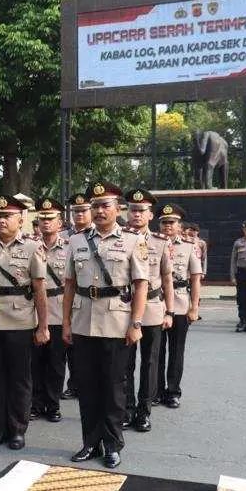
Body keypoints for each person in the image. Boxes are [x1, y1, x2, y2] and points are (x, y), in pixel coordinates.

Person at [63, 181, 148, 469]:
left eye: (105, 205)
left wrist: (136, 323)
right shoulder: (77, 241)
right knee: (87, 386)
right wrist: (66, 323)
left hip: (116, 322)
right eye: (95, 206)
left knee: (113, 387)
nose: (99, 211)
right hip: (83, 322)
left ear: (118, 208)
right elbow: (70, 285)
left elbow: (140, 285)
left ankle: (112, 444)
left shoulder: (133, 241)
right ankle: (90, 442)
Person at [0, 194, 48, 450]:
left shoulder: (32, 248)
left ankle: (17, 430)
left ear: (20, 219)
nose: (0, 220)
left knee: (19, 379)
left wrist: (43, 326)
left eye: (6, 216)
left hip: (20, 322)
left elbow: (39, 290)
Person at [121, 188, 173, 432]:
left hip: (152, 308)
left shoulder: (160, 243)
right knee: (125, 363)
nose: (137, 214)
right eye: (133, 210)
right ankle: (127, 408)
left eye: (142, 210)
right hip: (123, 307)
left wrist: (169, 311)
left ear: (150, 215)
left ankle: (144, 411)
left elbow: (167, 278)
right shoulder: (119, 239)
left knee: (150, 363)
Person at [155, 204, 202, 408]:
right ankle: (156, 391)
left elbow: (195, 279)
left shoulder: (190, 246)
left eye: (171, 222)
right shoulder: (151, 243)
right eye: (164, 222)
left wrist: (194, 307)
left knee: (176, 351)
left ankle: (173, 392)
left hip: (181, 302)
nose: (167, 226)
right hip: (157, 303)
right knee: (156, 351)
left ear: (179, 225)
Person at [29, 196, 68, 424]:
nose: (45, 222)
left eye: (50, 218)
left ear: (59, 223)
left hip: (59, 310)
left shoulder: (69, 247)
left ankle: (52, 405)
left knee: (56, 362)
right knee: (35, 362)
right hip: (34, 310)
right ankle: (35, 403)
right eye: (42, 218)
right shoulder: (30, 246)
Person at [61, 191, 93, 400]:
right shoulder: (65, 237)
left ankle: (84, 384)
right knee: (69, 345)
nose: (79, 215)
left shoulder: (96, 235)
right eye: (75, 211)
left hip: (87, 298)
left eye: (83, 210)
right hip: (66, 296)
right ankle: (74, 384)